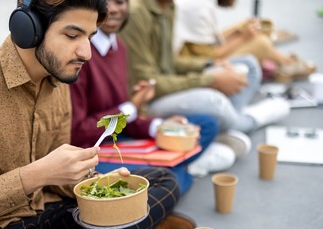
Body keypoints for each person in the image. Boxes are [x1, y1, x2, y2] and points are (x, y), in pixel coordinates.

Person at [0, 0, 196, 229]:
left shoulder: (60, 81)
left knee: (162, 180)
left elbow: (60, 178)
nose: (87, 53)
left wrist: (93, 185)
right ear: (28, 27)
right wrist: (33, 176)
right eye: (72, 35)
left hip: (45, 210)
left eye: (91, 37)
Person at [69, 0, 238, 193]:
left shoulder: (119, 47)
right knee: (167, 178)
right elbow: (79, 133)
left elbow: (127, 116)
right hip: (94, 150)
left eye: (120, 2)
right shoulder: (80, 56)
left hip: (121, 135)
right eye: (105, 2)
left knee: (206, 124)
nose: (114, 9)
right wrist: (132, 107)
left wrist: (157, 126)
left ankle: (174, 169)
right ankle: (179, 170)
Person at [119, 0, 290, 155]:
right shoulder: (136, 13)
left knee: (248, 64)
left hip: (171, 83)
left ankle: (229, 126)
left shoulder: (169, 6)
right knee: (213, 100)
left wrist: (209, 65)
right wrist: (210, 81)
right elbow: (147, 83)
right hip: (148, 101)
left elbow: (171, 61)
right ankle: (250, 121)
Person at [173, 0, 317, 83]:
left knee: (254, 34)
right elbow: (208, 57)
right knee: (261, 43)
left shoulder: (202, 4)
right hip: (187, 68)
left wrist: (238, 29)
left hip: (190, 55)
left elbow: (207, 42)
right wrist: (242, 37)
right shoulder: (201, 7)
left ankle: (283, 62)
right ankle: (284, 64)